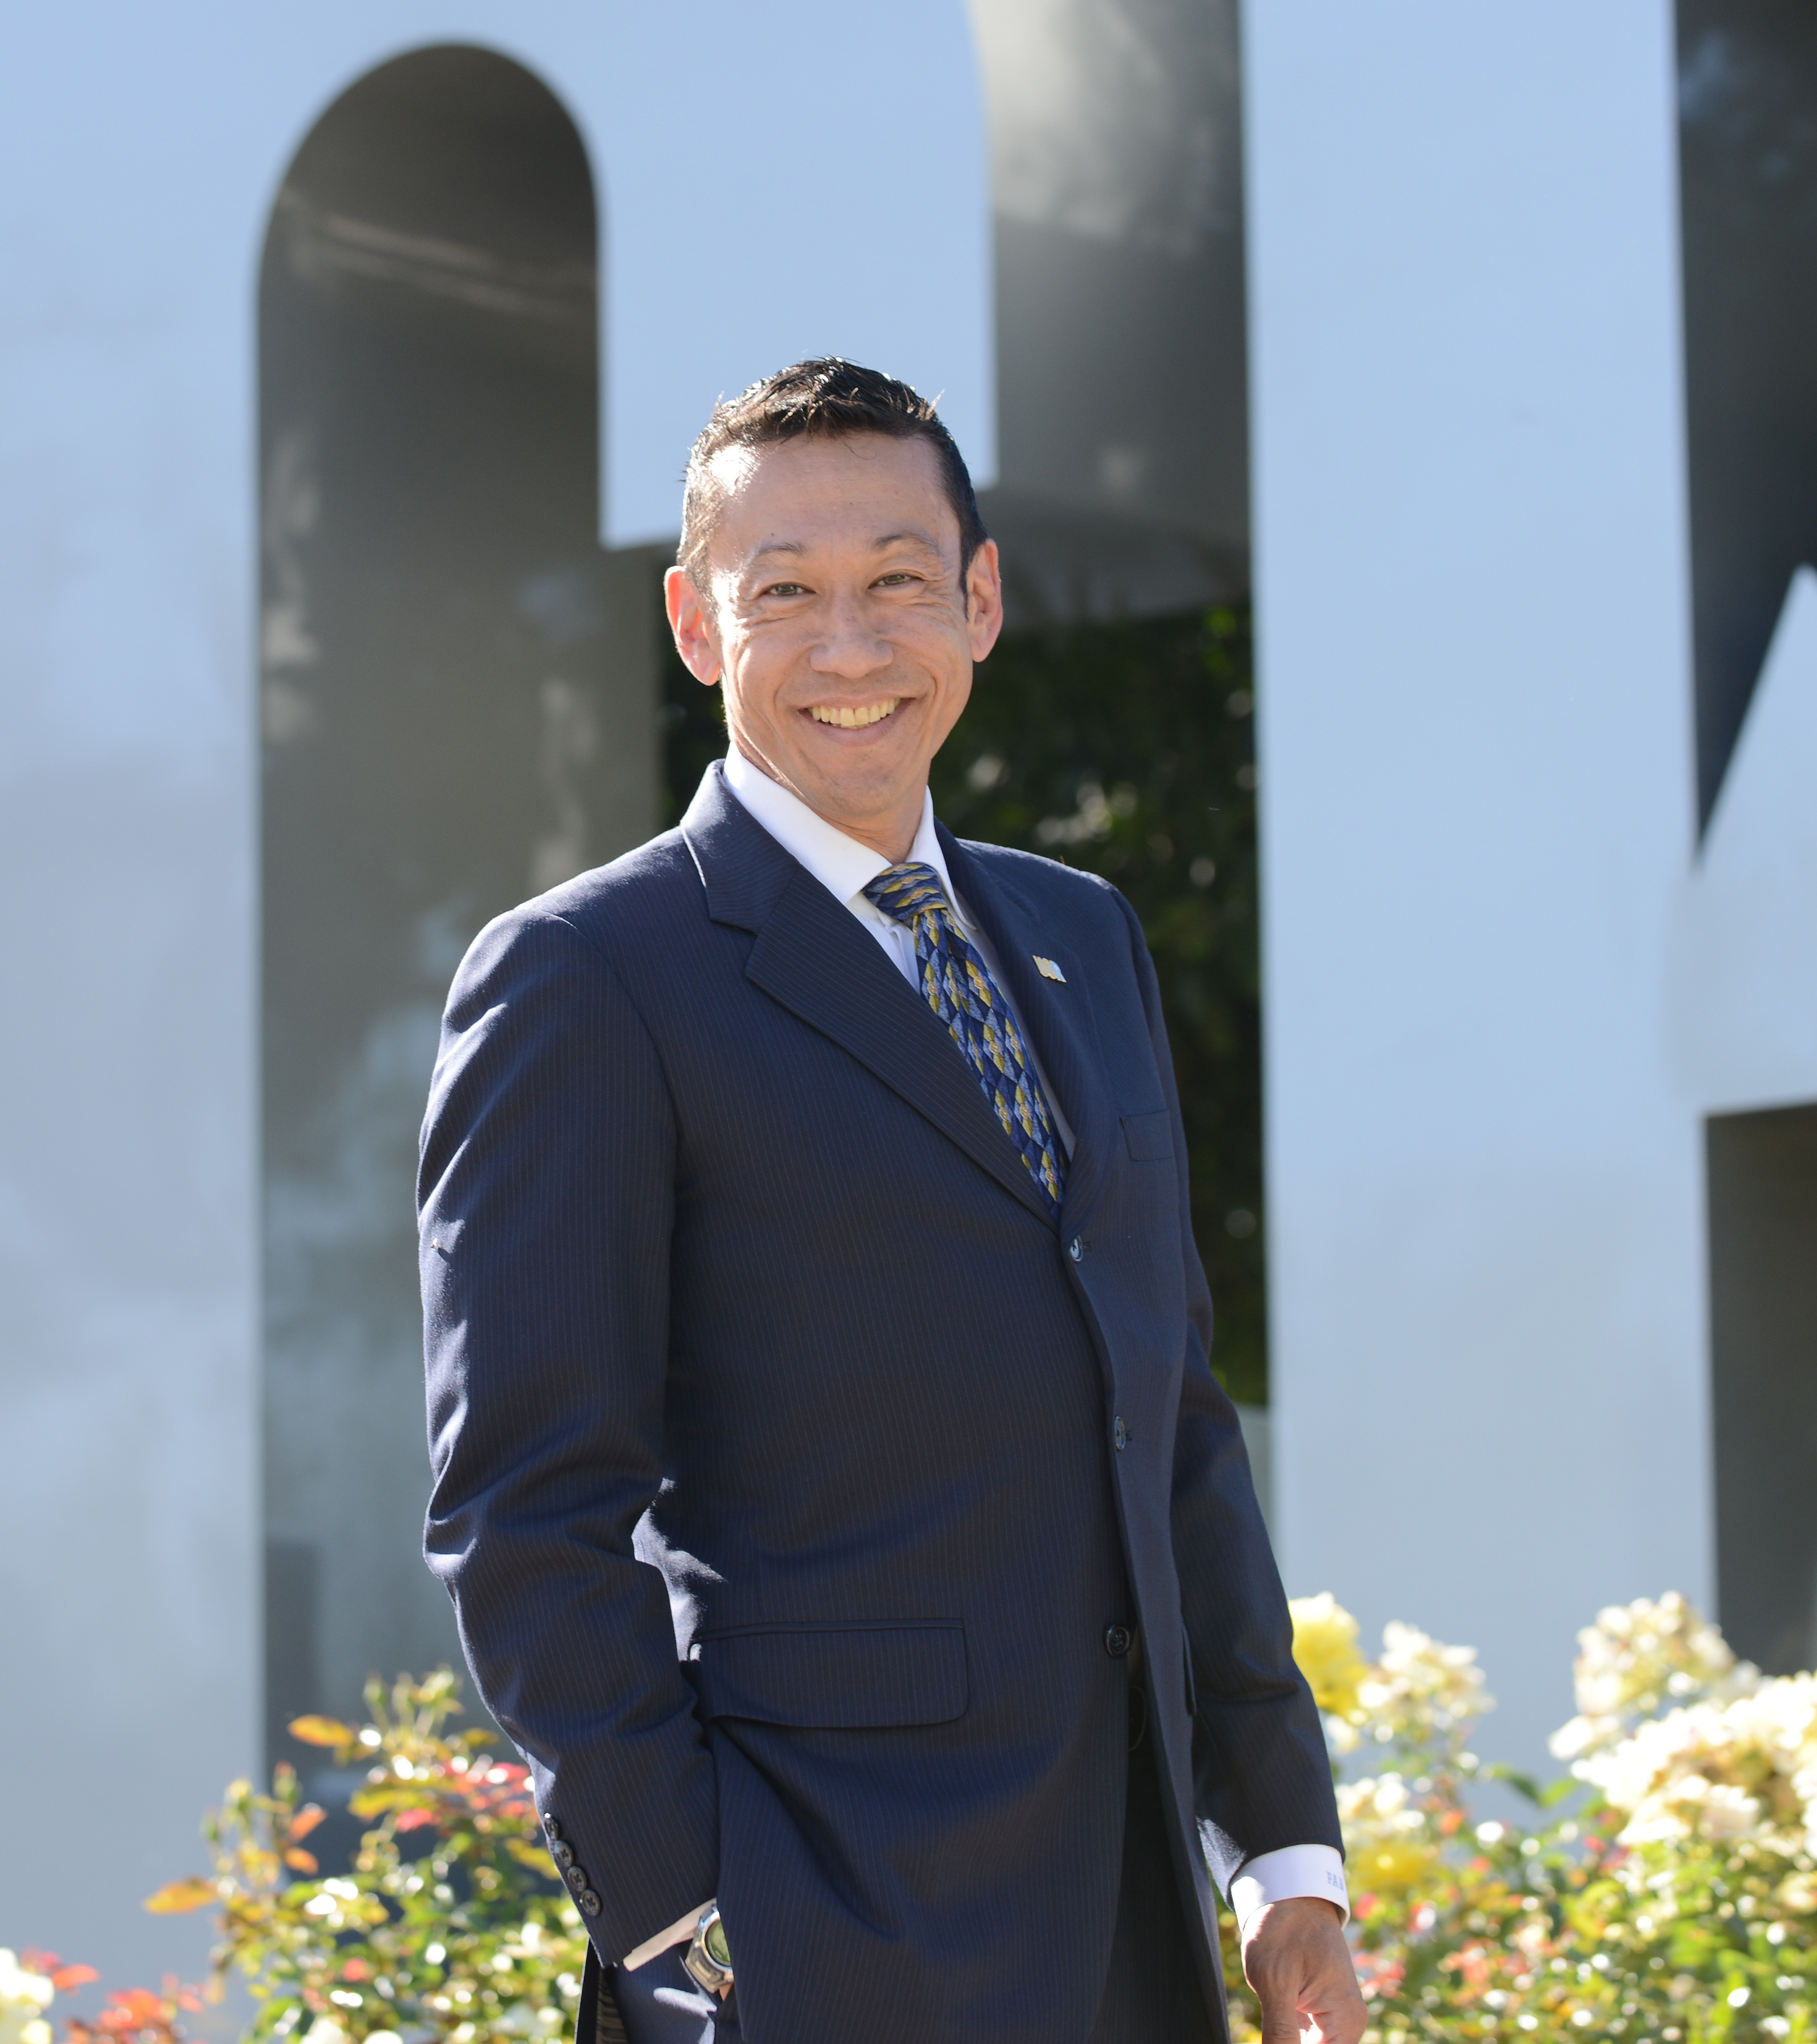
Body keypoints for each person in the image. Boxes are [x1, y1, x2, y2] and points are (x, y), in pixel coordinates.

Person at [418, 360, 1368, 2044]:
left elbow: (1174, 1423)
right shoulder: (585, 977)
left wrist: (1283, 1854)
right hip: (819, 1937)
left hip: (1132, 1927)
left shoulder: (1085, 939)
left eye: (897, 583)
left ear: (981, 600)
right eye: (784, 592)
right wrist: (688, 1923)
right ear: (698, 626)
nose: (849, 646)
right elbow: (525, 1505)